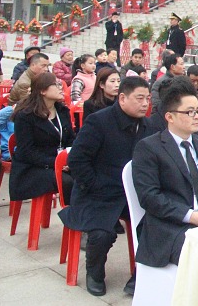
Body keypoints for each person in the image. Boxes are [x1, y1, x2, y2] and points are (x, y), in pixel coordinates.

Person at [59, 76, 157, 297]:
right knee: (101, 233)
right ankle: (94, 272)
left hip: (132, 194)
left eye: (148, 99)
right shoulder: (99, 122)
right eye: (139, 98)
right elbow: (77, 160)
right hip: (96, 192)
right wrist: (94, 185)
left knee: (158, 225)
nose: (145, 104)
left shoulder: (149, 126)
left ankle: (140, 275)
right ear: (122, 98)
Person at [132, 77, 198, 267]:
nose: (196, 116)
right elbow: (149, 197)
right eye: (189, 112)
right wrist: (191, 216)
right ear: (169, 117)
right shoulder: (149, 147)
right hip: (171, 227)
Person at [9, 73, 76, 205]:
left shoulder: (62, 111)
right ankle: (72, 216)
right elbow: (27, 152)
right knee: (68, 181)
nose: (61, 87)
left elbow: (71, 140)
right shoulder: (25, 116)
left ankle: (91, 213)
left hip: (61, 163)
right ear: (42, 90)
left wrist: (71, 159)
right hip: (33, 168)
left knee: (89, 174)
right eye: (56, 84)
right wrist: (56, 163)